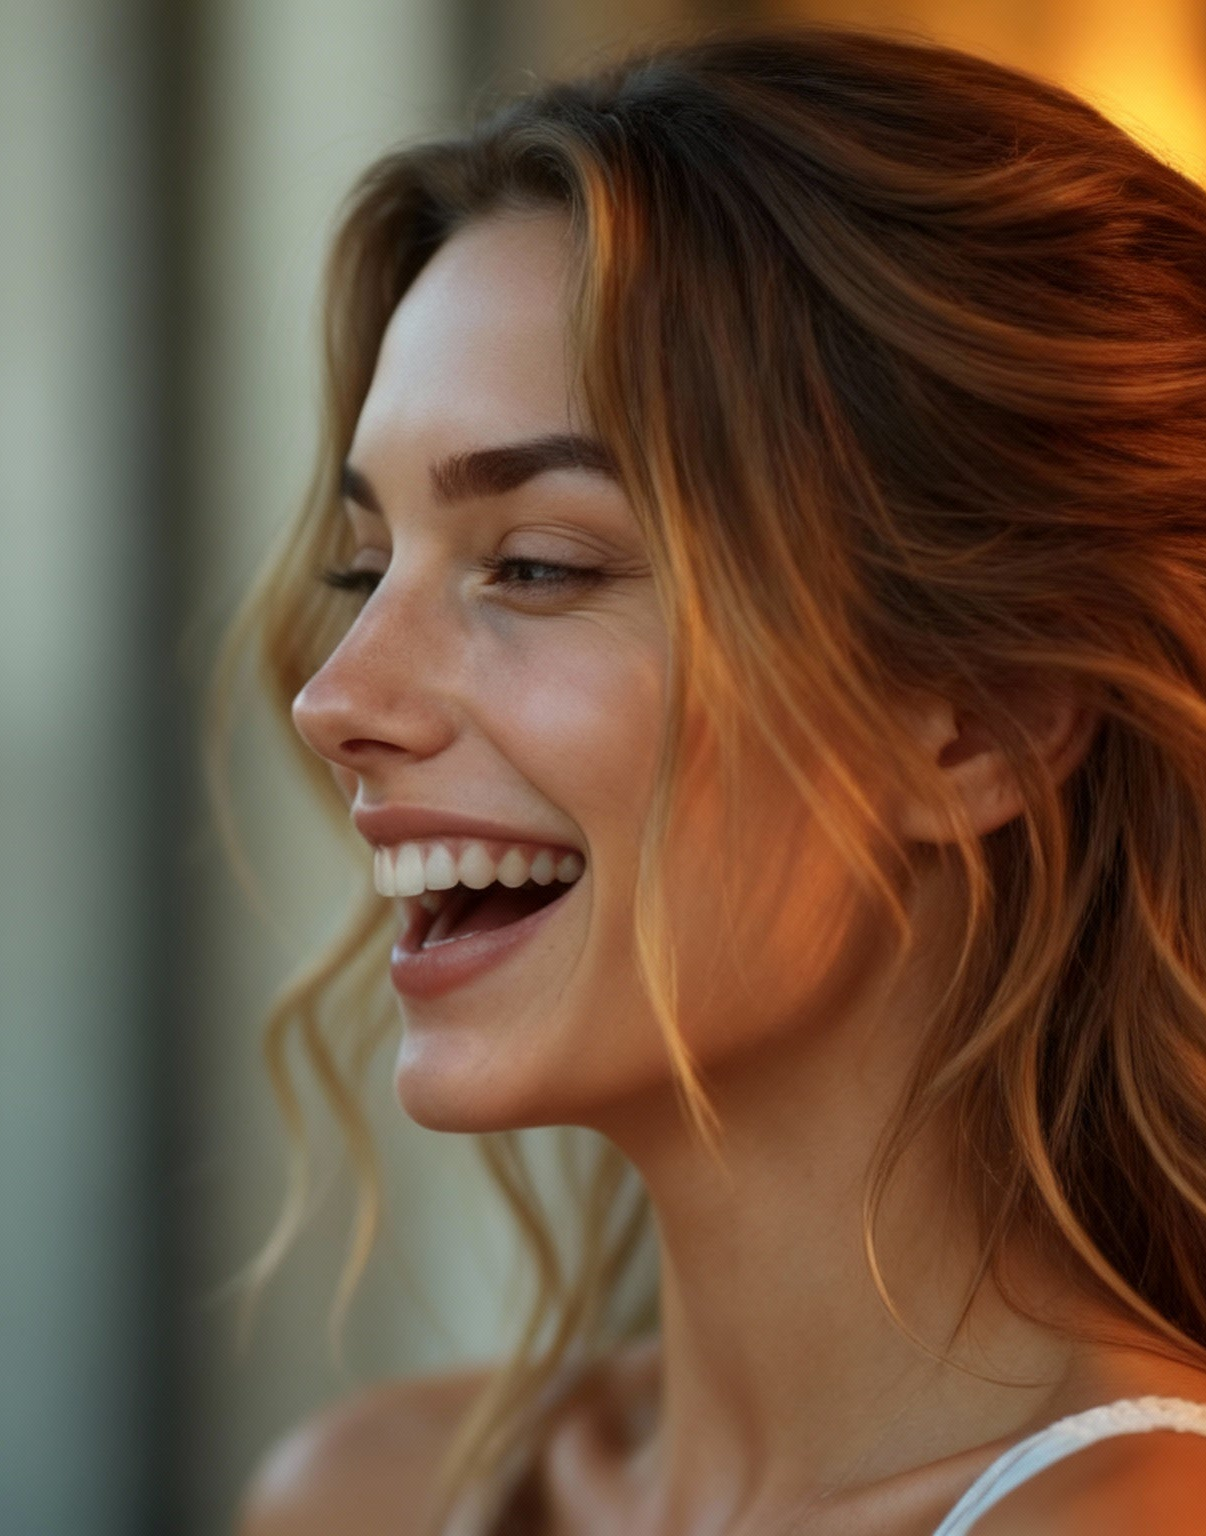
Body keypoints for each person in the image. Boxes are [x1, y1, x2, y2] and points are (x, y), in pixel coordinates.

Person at [230, 24, 1206, 1536]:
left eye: (536, 564)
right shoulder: (365, 1496)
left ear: (983, 720)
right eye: (365, 571)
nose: (335, 699)